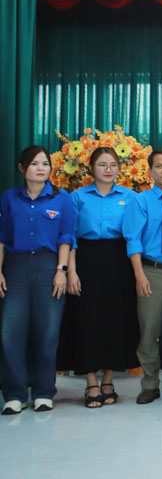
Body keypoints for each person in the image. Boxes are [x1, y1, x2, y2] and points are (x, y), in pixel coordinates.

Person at [60, 146, 139, 408]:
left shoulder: (129, 197)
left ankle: (108, 379)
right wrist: (71, 271)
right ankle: (91, 382)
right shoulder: (77, 197)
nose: (108, 170)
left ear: (119, 168)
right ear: (91, 168)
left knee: (116, 320)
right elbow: (70, 237)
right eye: (102, 164)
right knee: (87, 320)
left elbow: (132, 236)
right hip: (86, 262)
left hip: (119, 262)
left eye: (113, 165)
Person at [0, 147, 75, 415]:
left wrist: (61, 270)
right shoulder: (9, 198)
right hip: (15, 268)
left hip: (48, 266)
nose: (41, 168)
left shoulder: (62, 199)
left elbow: (66, 237)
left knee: (47, 332)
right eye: (34, 164)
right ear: (22, 168)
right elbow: (3, 238)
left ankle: (44, 392)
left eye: (45, 164)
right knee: (11, 333)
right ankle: (14, 393)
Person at [121, 148, 162, 404]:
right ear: (150, 171)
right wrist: (139, 275)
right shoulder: (140, 201)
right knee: (149, 330)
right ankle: (149, 384)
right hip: (151, 271)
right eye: (159, 166)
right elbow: (133, 239)